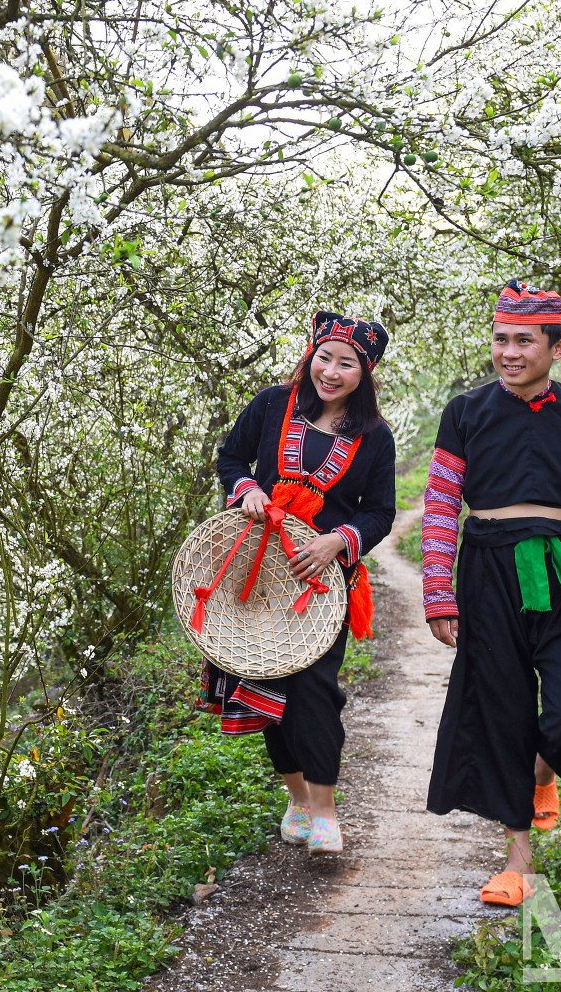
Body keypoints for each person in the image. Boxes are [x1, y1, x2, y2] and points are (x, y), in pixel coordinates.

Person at [421, 281, 561, 906]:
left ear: (556, 346)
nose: (509, 353)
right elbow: (438, 509)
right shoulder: (465, 413)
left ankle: (545, 774)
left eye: (524, 341)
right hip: (488, 573)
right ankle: (517, 861)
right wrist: (439, 593)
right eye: (501, 340)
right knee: (502, 711)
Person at [201, 311, 397, 855]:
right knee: (264, 682)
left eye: (347, 363)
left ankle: (326, 812)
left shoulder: (375, 438)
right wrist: (246, 489)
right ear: (310, 355)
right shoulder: (271, 404)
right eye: (324, 357)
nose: (331, 372)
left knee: (314, 688)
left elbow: (380, 512)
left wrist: (339, 540)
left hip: (320, 580)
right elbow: (231, 457)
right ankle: (297, 800)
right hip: (257, 572)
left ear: (366, 371)